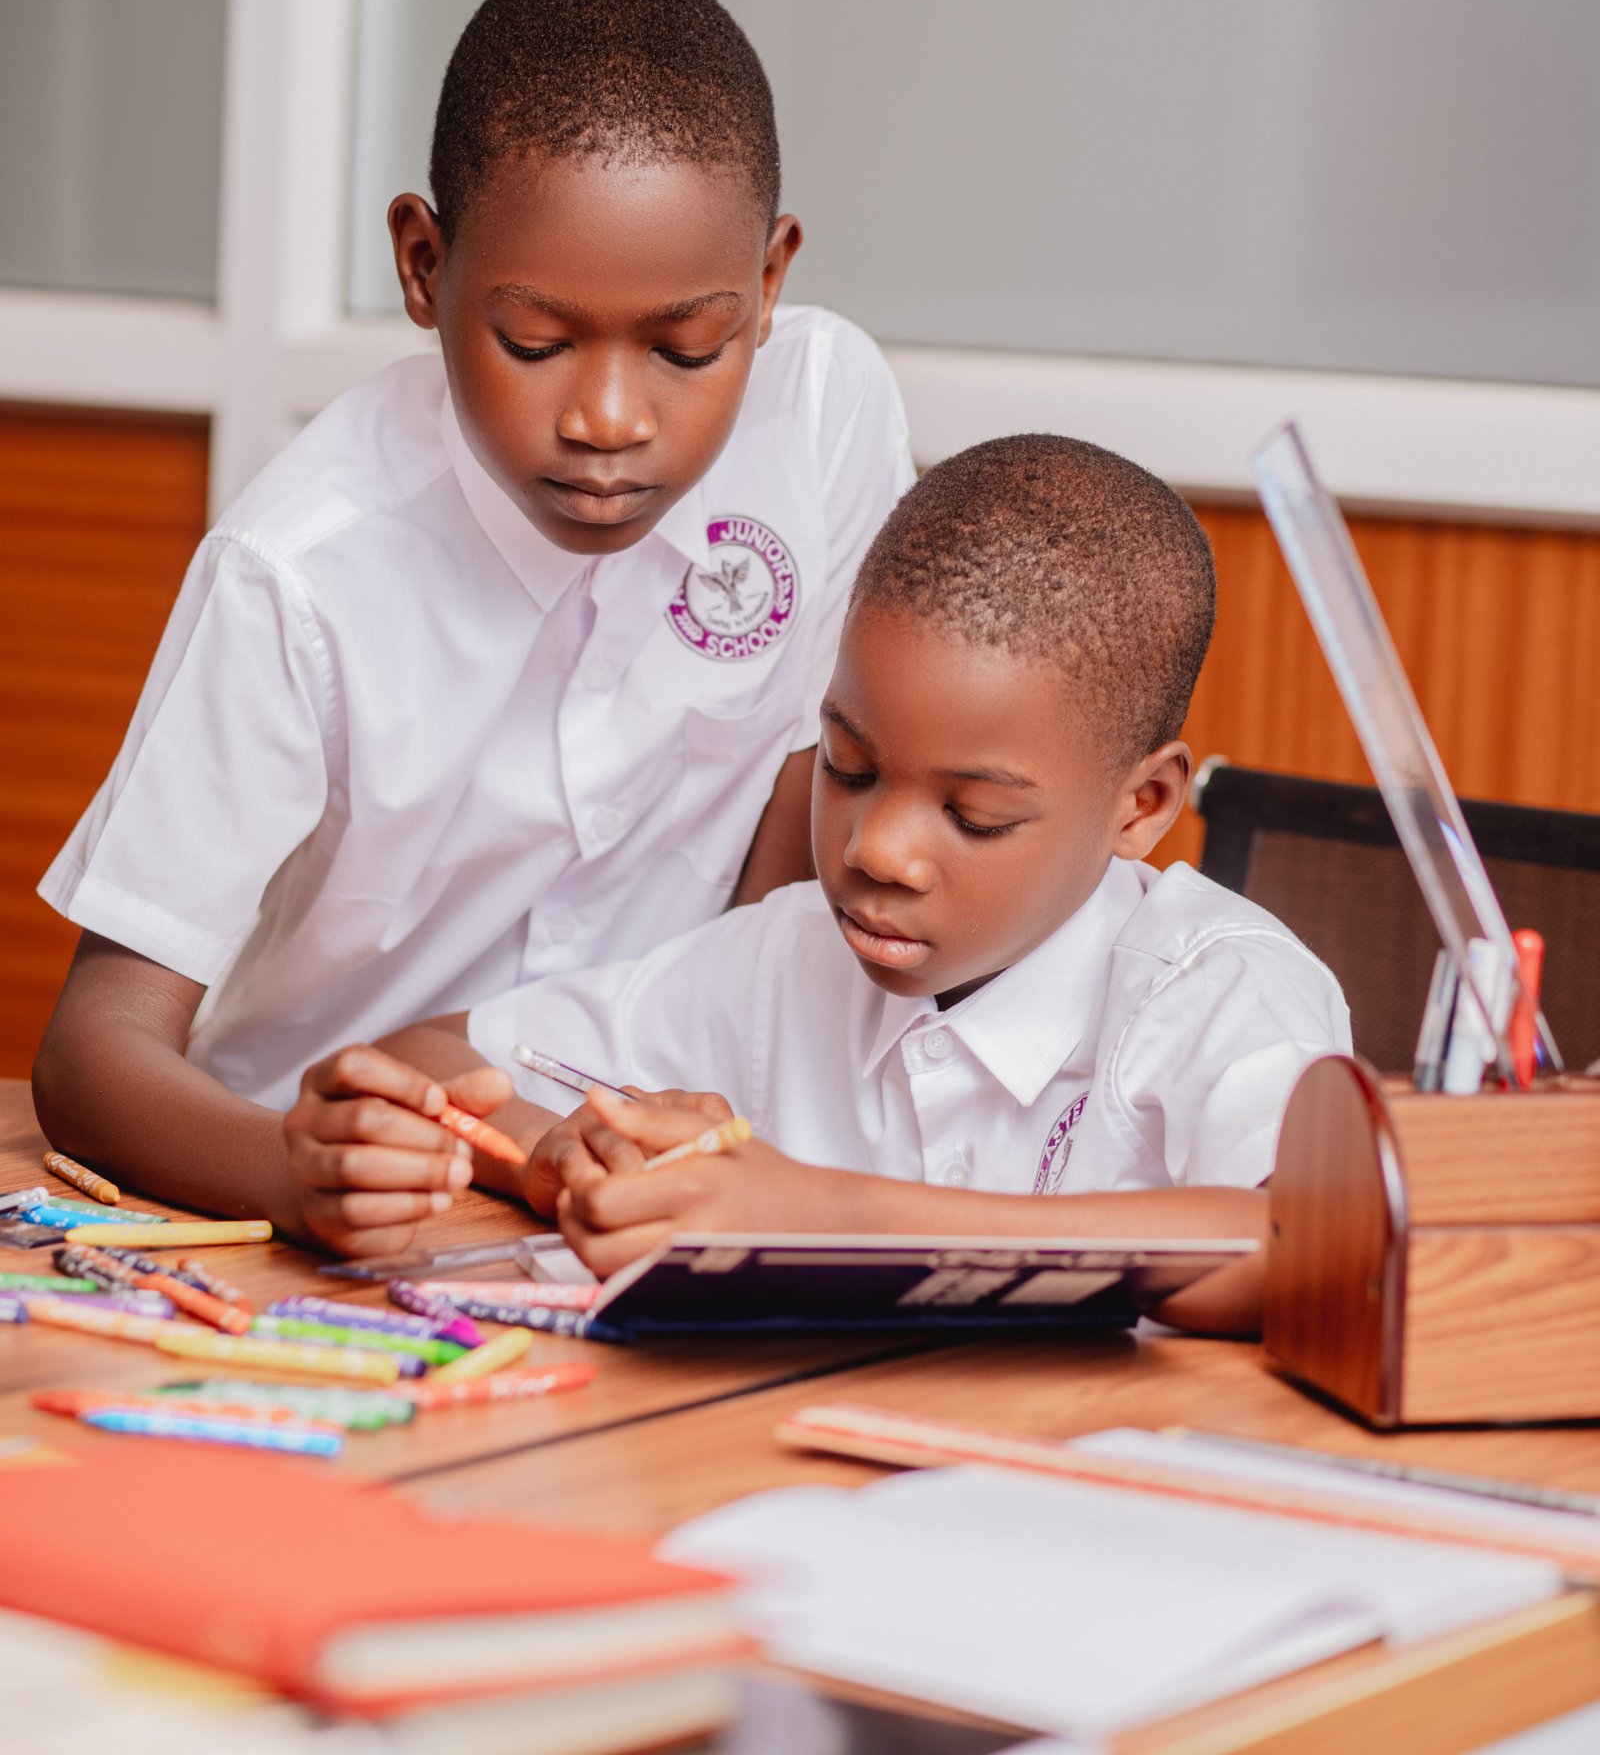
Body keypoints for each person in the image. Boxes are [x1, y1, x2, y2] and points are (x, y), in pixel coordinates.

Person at [31, 0, 913, 1235]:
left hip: (642, 1185)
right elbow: (92, 1054)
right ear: (423, 263)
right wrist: (295, 1168)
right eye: (537, 343)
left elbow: (784, 856)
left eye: (686, 350)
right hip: (332, 1191)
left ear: (768, 284)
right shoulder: (302, 572)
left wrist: (693, 1136)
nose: (610, 419)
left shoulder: (825, 414)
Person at [290, 435, 1350, 1332]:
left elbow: (1314, 1243)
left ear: (1143, 806)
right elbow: (421, 1058)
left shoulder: (1213, 990)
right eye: (848, 766)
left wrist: (817, 1213)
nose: (875, 850)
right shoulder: (785, 953)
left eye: (973, 815)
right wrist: (552, 1156)